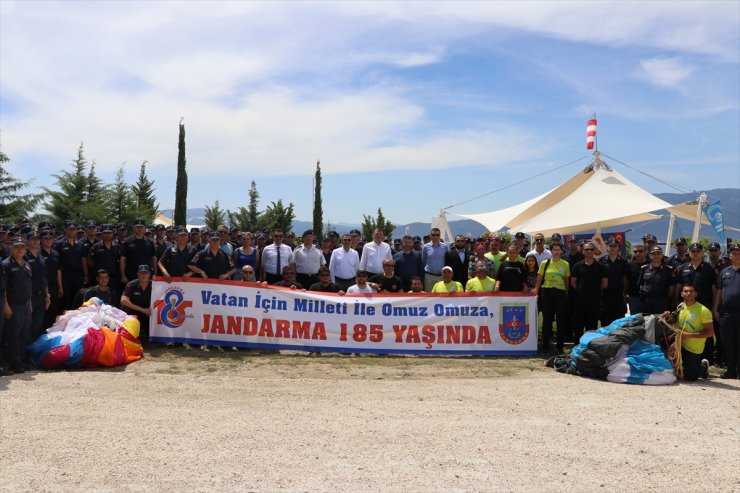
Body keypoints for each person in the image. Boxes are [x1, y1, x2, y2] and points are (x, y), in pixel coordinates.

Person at [675, 242, 718, 365]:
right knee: (687, 330)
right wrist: (676, 302)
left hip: (704, 305)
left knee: (706, 334)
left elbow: (714, 288)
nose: (695, 253)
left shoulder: (709, 268)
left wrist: (714, 306)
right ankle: (687, 361)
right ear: (689, 253)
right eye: (693, 251)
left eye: (698, 251)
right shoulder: (683, 268)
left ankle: (707, 361)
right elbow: (679, 287)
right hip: (687, 305)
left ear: (702, 253)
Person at [662, 284, 713, 381]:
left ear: (695, 294)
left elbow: (709, 333)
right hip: (680, 345)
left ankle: (703, 366)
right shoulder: (681, 306)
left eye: (691, 291)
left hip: (693, 348)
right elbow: (675, 323)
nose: (688, 293)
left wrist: (687, 335)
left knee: (690, 377)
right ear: (681, 294)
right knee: (676, 373)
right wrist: (666, 316)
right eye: (686, 291)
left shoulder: (703, 311)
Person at [2, 236, 33, 372]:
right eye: (16, 247)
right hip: (13, 304)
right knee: (12, 335)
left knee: (24, 334)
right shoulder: (6, 265)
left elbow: (29, 285)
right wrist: (6, 306)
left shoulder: (26, 264)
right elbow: (3, 289)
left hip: (25, 304)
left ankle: (20, 360)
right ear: (10, 247)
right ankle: (13, 363)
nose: (19, 249)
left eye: (22, 247)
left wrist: (30, 303)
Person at [533, 243, 570, 353]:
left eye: (559, 249)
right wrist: (536, 289)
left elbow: (566, 280)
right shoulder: (545, 263)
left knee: (560, 320)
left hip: (560, 293)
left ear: (561, 251)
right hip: (547, 292)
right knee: (547, 320)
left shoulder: (566, 264)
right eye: (555, 249)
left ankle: (559, 346)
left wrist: (566, 294)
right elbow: (539, 277)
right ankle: (545, 345)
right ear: (551, 251)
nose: (557, 251)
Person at [570, 241, 608, 342]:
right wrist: (580, 291)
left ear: (594, 251)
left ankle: (589, 348)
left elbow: (605, 282)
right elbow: (573, 282)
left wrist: (596, 291)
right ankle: (577, 347)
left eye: (591, 249)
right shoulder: (577, 266)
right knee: (578, 325)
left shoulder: (600, 266)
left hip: (594, 301)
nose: (589, 251)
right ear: (583, 251)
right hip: (580, 301)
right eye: (587, 249)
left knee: (592, 326)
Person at [713, 243, 740, 379]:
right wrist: (715, 308)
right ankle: (730, 370)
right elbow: (719, 291)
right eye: (734, 253)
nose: (737, 255)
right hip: (727, 313)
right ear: (729, 255)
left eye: (739, 253)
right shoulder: (725, 272)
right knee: (727, 341)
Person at [24, 231, 50, 339]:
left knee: (37, 325)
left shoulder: (40, 257)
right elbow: (25, 280)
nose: (36, 241)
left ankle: (33, 350)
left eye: (37, 239)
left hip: (41, 296)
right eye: (33, 239)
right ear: (27, 241)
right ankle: (25, 352)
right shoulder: (24, 257)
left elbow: (44, 277)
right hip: (30, 296)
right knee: (27, 326)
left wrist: (47, 295)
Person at [55, 221, 86, 310]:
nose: (72, 231)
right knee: (66, 300)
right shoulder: (59, 244)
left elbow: (83, 260)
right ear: (65, 230)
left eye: (74, 229)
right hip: (65, 276)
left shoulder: (80, 244)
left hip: (78, 276)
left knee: (79, 299)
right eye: (70, 229)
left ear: (76, 230)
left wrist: (86, 274)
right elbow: (57, 265)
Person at [599, 237, 629, 326]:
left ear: (618, 247)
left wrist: (625, 294)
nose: (613, 248)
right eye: (610, 245)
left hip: (618, 295)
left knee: (619, 321)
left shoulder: (623, 262)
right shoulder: (602, 261)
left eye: (615, 246)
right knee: (605, 320)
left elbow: (625, 279)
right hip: (606, 296)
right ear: (607, 247)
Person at [120, 265, 153, 344]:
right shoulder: (131, 285)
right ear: (138, 274)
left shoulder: (155, 285)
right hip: (135, 313)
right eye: (141, 273)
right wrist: (142, 310)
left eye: (146, 273)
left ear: (149, 275)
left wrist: (149, 310)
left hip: (149, 314)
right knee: (124, 308)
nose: (144, 275)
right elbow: (123, 301)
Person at [120, 218, 157, 288]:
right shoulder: (127, 242)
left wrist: (155, 273)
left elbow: (154, 258)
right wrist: (123, 276)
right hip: (131, 275)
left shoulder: (150, 242)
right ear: (133, 228)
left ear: (145, 228)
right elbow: (122, 259)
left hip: (146, 275)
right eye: (137, 227)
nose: (139, 229)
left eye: (141, 227)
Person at [638, 246, 675, 314]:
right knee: (647, 322)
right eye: (654, 254)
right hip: (646, 301)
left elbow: (671, 287)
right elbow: (640, 284)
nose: (656, 256)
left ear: (662, 255)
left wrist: (666, 299)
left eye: (658, 254)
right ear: (650, 256)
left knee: (660, 322)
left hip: (661, 301)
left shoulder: (668, 270)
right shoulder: (644, 269)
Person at [39, 229, 62, 330]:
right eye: (45, 239)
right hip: (43, 287)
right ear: (41, 240)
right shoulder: (38, 254)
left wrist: (60, 287)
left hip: (55, 286)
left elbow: (58, 271)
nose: (48, 241)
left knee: (54, 311)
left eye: (50, 238)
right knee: (44, 314)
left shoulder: (56, 253)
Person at [422, 227, 448, 292]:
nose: (435, 237)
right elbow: (423, 261)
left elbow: (446, 261)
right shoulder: (425, 247)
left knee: (441, 295)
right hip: (429, 276)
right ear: (430, 236)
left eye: (437, 235)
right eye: (433, 235)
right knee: (428, 296)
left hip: (441, 276)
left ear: (440, 236)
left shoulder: (445, 247)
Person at [627, 243, 648, 315]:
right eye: (635, 252)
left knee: (647, 321)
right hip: (633, 297)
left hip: (647, 298)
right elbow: (626, 281)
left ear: (645, 252)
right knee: (634, 321)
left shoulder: (650, 264)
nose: (638, 253)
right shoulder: (629, 265)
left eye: (640, 251)